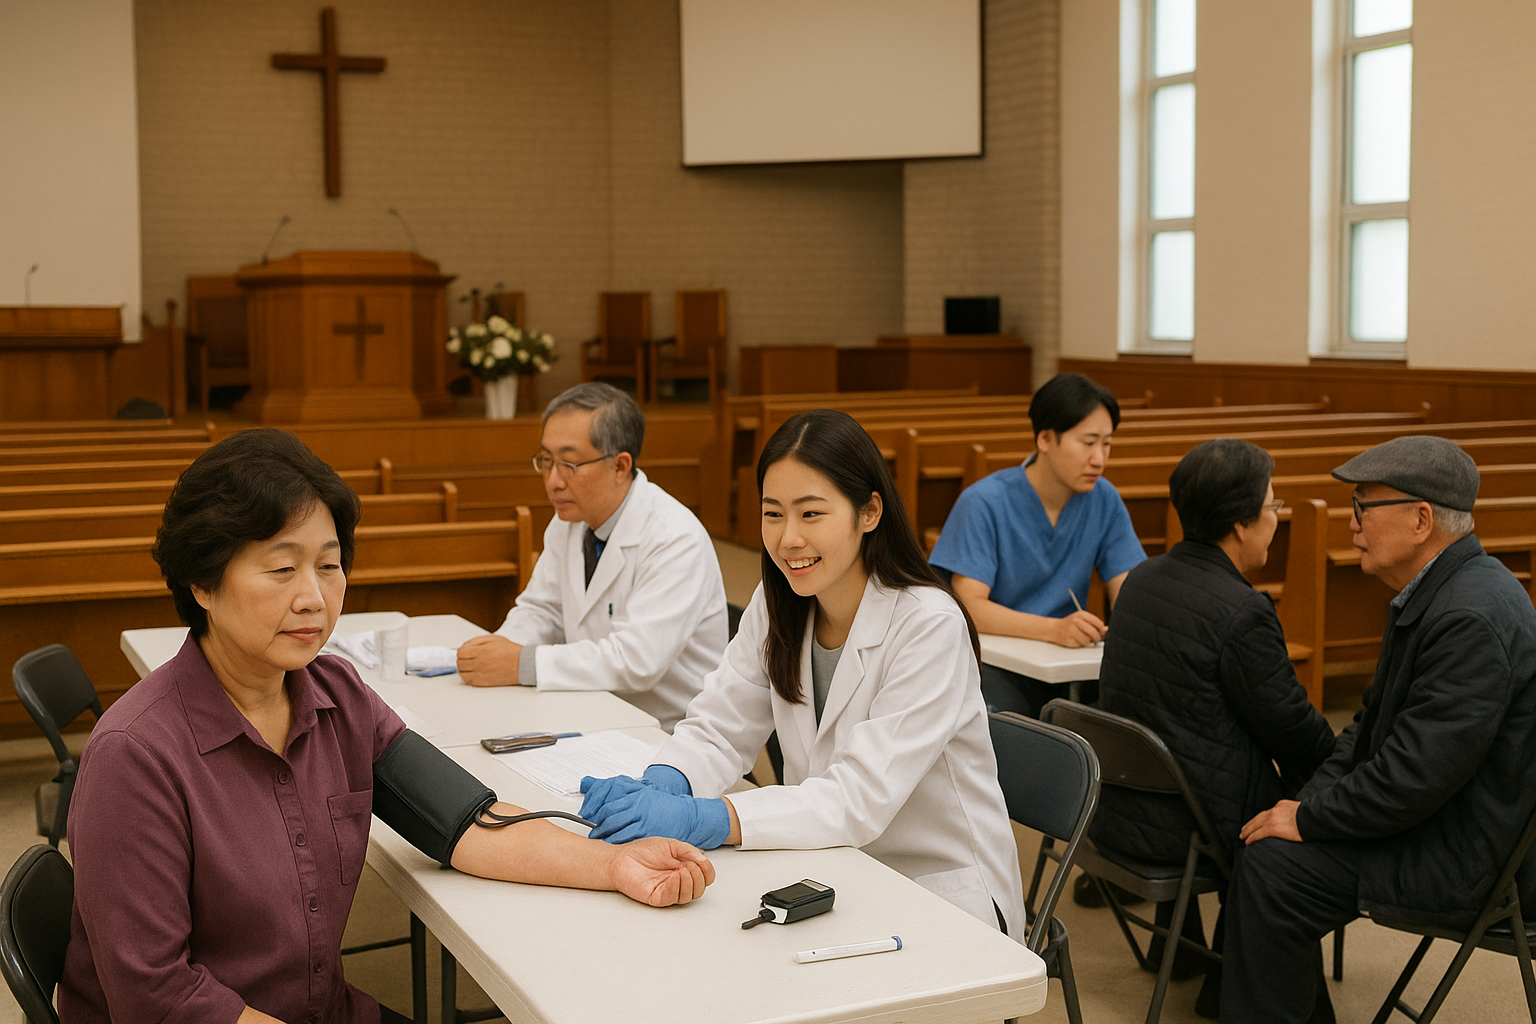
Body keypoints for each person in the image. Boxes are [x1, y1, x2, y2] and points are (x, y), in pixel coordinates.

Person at [60, 429, 714, 1024]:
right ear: (202, 581)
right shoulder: (137, 753)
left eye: (329, 564)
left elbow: (464, 822)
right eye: (282, 568)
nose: (314, 597)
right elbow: (156, 999)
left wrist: (615, 863)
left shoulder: (335, 693)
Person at [576, 409, 1027, 936]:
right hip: (827, 870)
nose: (788, 538)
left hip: (938, 893)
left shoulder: (928, 625)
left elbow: (857, 798)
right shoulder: (780, 601)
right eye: (773, 514)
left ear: (869, 512)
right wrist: (664, 783)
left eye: (811, 514)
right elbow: (721, 725)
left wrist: (706, 818)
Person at [1223, 435, 1536, 1024]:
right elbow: (1367, 729)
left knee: (1273, 869)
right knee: (1270, 825)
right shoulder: (1437, 590)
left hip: (1468, 851)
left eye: (1365, 507)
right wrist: (1305, 804)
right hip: (1441, 817)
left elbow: (1413, 778)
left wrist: (1310, 819)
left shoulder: (1468, 616)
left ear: (1421, 520)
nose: (1352, 522)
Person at [1093, 439, 1336, 1016]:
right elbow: (1291, 727)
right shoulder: (1241, 610)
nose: (1277, 521)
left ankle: (1210, 966)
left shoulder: (1144, 579)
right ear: (1240, 525)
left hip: (1116, 806)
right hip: (1190, 826)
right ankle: (1249, 987)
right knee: (1312, 804)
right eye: (1272, 509)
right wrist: (1341, 774)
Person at [455, 382, 728, 732]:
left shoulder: (674, 537)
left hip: (666, 732)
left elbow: (636, 661)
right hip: (590, 711)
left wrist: (522, 663)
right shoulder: (568, 522)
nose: (553, 481)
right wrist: (499, 648)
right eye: (546, 461)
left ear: (620, 466)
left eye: (569, 463)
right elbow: (543, 610)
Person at [929, 372, 1145, 716]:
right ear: (1045, 439)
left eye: (1106, 443)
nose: (1099, 459)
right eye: (1088, 443)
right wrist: (1054, 629)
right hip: (996, 662)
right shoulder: (984, 501)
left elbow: (1132, 591)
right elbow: (969, 605)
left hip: (1067, 660)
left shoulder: (1104, 499)